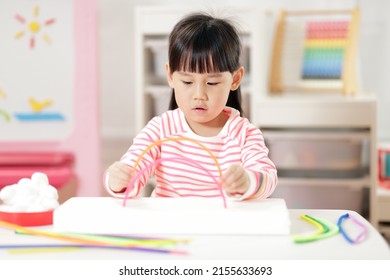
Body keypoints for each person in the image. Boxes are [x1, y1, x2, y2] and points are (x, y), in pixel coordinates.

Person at [104, 12, 277, 201]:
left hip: (221, 227)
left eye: (212, 83)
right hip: (169, 227)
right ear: (170, 76)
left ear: (235, 79)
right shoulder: (161, 129)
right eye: (187, 82)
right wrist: (119, 179)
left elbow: (267, 177)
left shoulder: (244, 134)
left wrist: (248, 180)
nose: (199, 95)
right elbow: (131, 170)